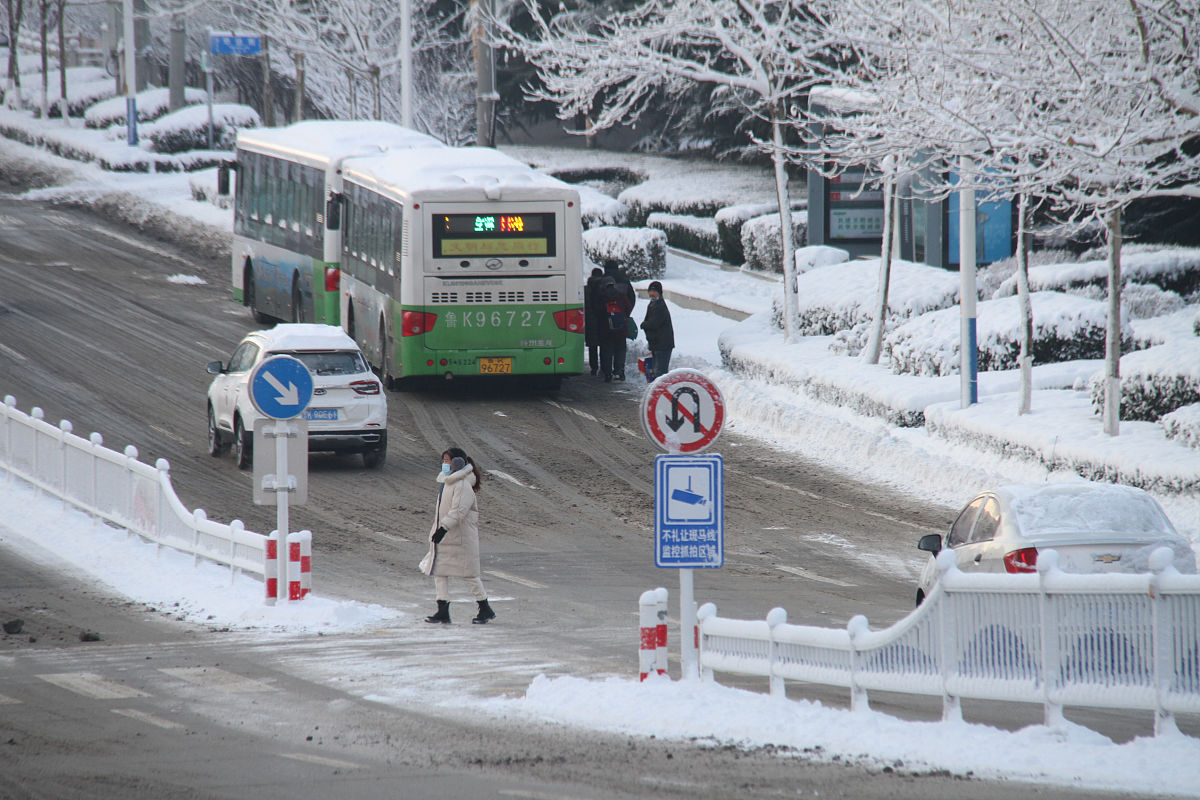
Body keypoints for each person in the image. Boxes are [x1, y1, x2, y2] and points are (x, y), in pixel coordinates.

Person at [422, 447, 496, 625]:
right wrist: (439, 530)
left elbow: (459, 511)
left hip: (460, 538)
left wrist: (443, 528)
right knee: (439, 571)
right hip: (447, 536)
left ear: (457, 463)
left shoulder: (463, 485)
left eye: (447, 461)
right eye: (444, 461)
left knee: (470, 574)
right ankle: (442, 610)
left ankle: (485, 608)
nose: (445, 464)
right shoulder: (448, 482)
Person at [595, 260, 635, 382]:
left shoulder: (601, 283)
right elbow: (631, 300)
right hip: (620, 323)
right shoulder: (624, 281)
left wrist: (602, 318)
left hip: (605, 325)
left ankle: (606, 373)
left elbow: (595, 306)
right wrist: (623, 315)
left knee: (606, 348)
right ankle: (619, 371)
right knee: (620, 348)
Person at [640, 280, 674, 379]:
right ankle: (656, 392)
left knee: (660, 374)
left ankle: (660, 393)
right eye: (650, 292)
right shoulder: (653, 304)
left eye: (654, 292)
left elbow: (653, 324)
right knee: (655, 373)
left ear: (659, 292)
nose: (651, 294)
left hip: (662, 345)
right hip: (657, 344)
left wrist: (644, 324)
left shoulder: (660, 306)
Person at [583, 266, 605, 375]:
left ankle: (594, 367)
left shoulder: (586, 289)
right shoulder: (603, 288)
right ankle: (605, 367)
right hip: (602, 319)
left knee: (592, 346)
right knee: (605, 345)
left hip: (590, 320)